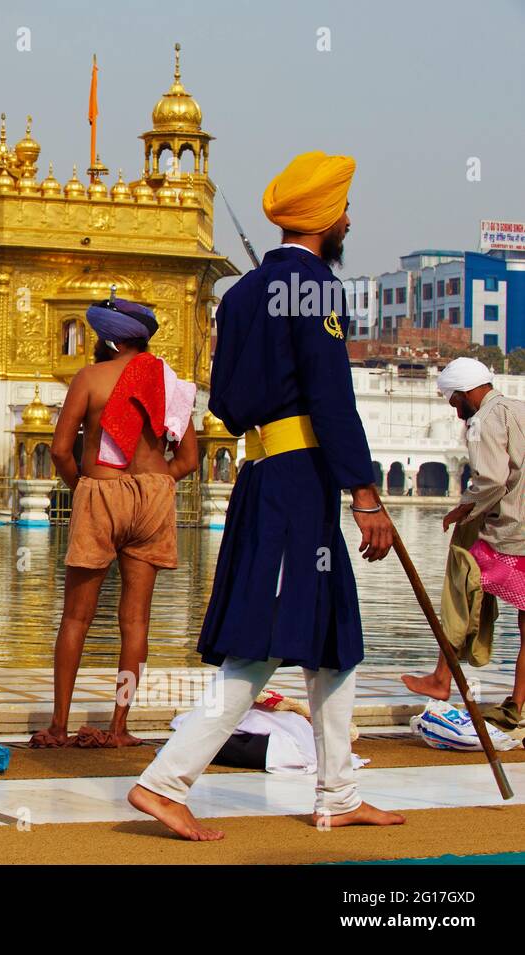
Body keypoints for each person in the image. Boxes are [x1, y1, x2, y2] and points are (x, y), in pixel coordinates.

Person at [128, 151, 405, 839]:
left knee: (333, 639)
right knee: (260, 648)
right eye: (344, 210)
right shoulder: (314, 289)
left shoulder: (244, 293)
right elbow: (332, 398)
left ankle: (337, 791)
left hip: (267, 476)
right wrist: (365, 495)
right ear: (327, 221)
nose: (349, 219)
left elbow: (224, 398)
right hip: (295, 486)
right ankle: (164, 782)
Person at [30, 298, 199, 749]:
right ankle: (119, 727)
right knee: (136, 622)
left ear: (109, 339)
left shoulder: (90, 378)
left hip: (101, 495)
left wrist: (84, 487)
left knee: (76, 618)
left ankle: (59, 726)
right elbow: (189, 459)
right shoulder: (173, 386)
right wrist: (159, 483)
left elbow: (61, 449)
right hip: (152, 500)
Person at [402, 357, 525, 732]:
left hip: (511, 534)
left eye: (455, 403)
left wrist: (463, 509)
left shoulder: (483, 421)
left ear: (468, 392)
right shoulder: (519, 408)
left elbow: (490, 479)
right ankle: (515, 707)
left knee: (461, 578)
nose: (456, 413)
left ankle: (442, 678)